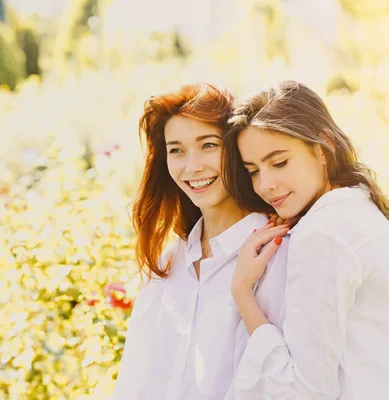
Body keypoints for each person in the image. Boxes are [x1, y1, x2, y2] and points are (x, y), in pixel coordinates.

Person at [222, 80, 389, 399]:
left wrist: (242, 292)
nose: (265, 185)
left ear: (322, 148)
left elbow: (303, 390)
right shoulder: (358, 210)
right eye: (252, 170)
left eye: (279, 162)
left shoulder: (325, 232)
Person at [112, 83, 290, 400]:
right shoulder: (169, 262)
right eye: (176, 150)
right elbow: (135, 379)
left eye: (208, 145)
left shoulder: (276, 253)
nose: (192, 166)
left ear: (236, 150)